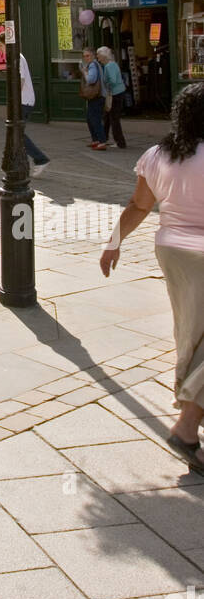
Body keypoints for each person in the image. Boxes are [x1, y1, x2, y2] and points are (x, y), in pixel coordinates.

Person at [100, 83, 204, 471]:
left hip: (173, 251)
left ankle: (189, 410)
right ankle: (187, 424)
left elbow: (139, 206)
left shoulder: (158, 155)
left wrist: (114, 242)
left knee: (190, 330)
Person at [20, 52, 49, 176]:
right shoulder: (16, 57)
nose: (0, 49)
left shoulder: (17, 57)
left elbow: (20, 80)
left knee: (17, 134)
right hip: (23, 101)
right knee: (16, 134)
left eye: (1, 46)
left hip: (23, 101)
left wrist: (13, 100)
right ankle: (22, 163)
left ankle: (40, 159)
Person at [97, 46, 127, 149]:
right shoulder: (112, 65)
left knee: (113, 119)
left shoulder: (109, 66)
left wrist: (106, 85)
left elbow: (113, 81)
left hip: (115, 94)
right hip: (117, 93)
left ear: (104, 56)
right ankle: (103, 139)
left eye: (99, 55)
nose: (98, 57)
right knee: (107, 117)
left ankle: (120, 142)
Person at [80, 47, 107, 149]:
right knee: (90, 118)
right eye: (84, 56)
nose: (86, 58)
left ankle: (102, 141)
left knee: (94, 119)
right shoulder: (96, 64)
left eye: (88, 55)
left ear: (93, 56)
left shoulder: (92, 65)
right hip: (98, 96)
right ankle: (95, 140)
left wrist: (84, 72)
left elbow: (91, 80)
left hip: (96, 96)